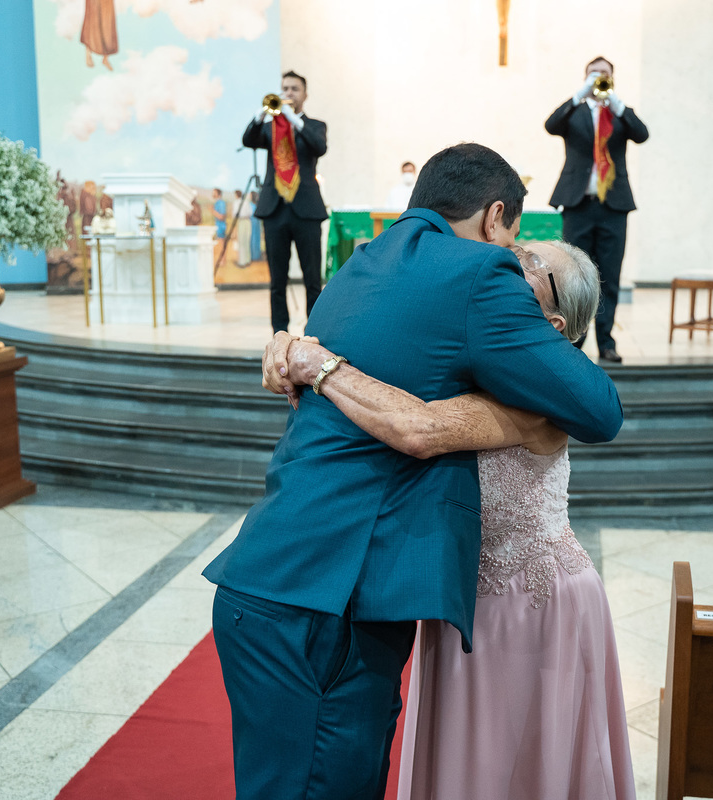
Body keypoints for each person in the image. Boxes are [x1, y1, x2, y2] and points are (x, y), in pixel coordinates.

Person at [203, 143, 623, 799]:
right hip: (329, 604)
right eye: (515, 237)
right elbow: (600, 409)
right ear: (494, 218)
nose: (512, 258)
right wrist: (528, 415)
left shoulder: (360, 264)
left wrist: (312, 361)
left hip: (264, 578)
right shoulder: (482, 274)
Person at [545, 55, 649, 364]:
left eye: (604, 74)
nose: (598, 78)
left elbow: (642, 134)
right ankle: (575, 342)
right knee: (574, 274)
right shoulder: (574, 112)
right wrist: (580, 94)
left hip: (613, 206)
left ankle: (606, 342)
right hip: (578, 205)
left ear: (613, 79)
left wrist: (615, 102)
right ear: (585, 77)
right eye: (594, 73)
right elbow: (551, 125)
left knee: (609, 276)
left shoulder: (619, 114)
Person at [242, 70, 329, 332]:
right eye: (285, 88)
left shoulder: (314, 125)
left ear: (305, 95)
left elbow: (319, 147)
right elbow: (248, 140)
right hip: (275, 209)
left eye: (294, 89)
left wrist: (295, 121)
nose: (289, 93)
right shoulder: (269, 128)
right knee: (276, 281)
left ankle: (314, 332)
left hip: (306, 210)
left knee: (312, 279)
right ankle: (279, 333)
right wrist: (259, 117)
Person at [211, 188, 227, 268]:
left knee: (221, 244)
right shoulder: (217, 203)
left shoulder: (221, 203)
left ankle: (222, 261)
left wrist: (212, 211)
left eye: (214, 193)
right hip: (218, 226)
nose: (212, 194)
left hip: (221, 226)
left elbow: (222, 216)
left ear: (218, 194)